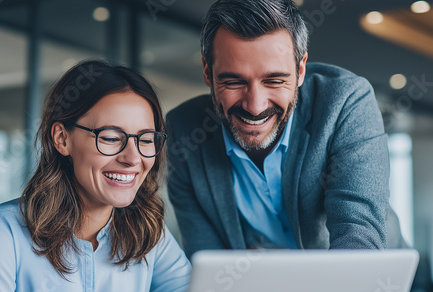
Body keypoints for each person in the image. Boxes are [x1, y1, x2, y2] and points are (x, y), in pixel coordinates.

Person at [0, 60, 191, 292]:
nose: (133, 158)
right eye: (111, 138)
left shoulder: (149, 233)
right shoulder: (0, 234)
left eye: (146, 139)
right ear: (62, 139)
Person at [167, 0, 404, 258]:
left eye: (274, 80)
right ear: (207, 72)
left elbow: (358, 243)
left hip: (381, 283)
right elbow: (210, 262)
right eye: (234, 81)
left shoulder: (345, 102)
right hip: (265, 289)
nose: (255, 107)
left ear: (300, 70)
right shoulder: (185, 131)